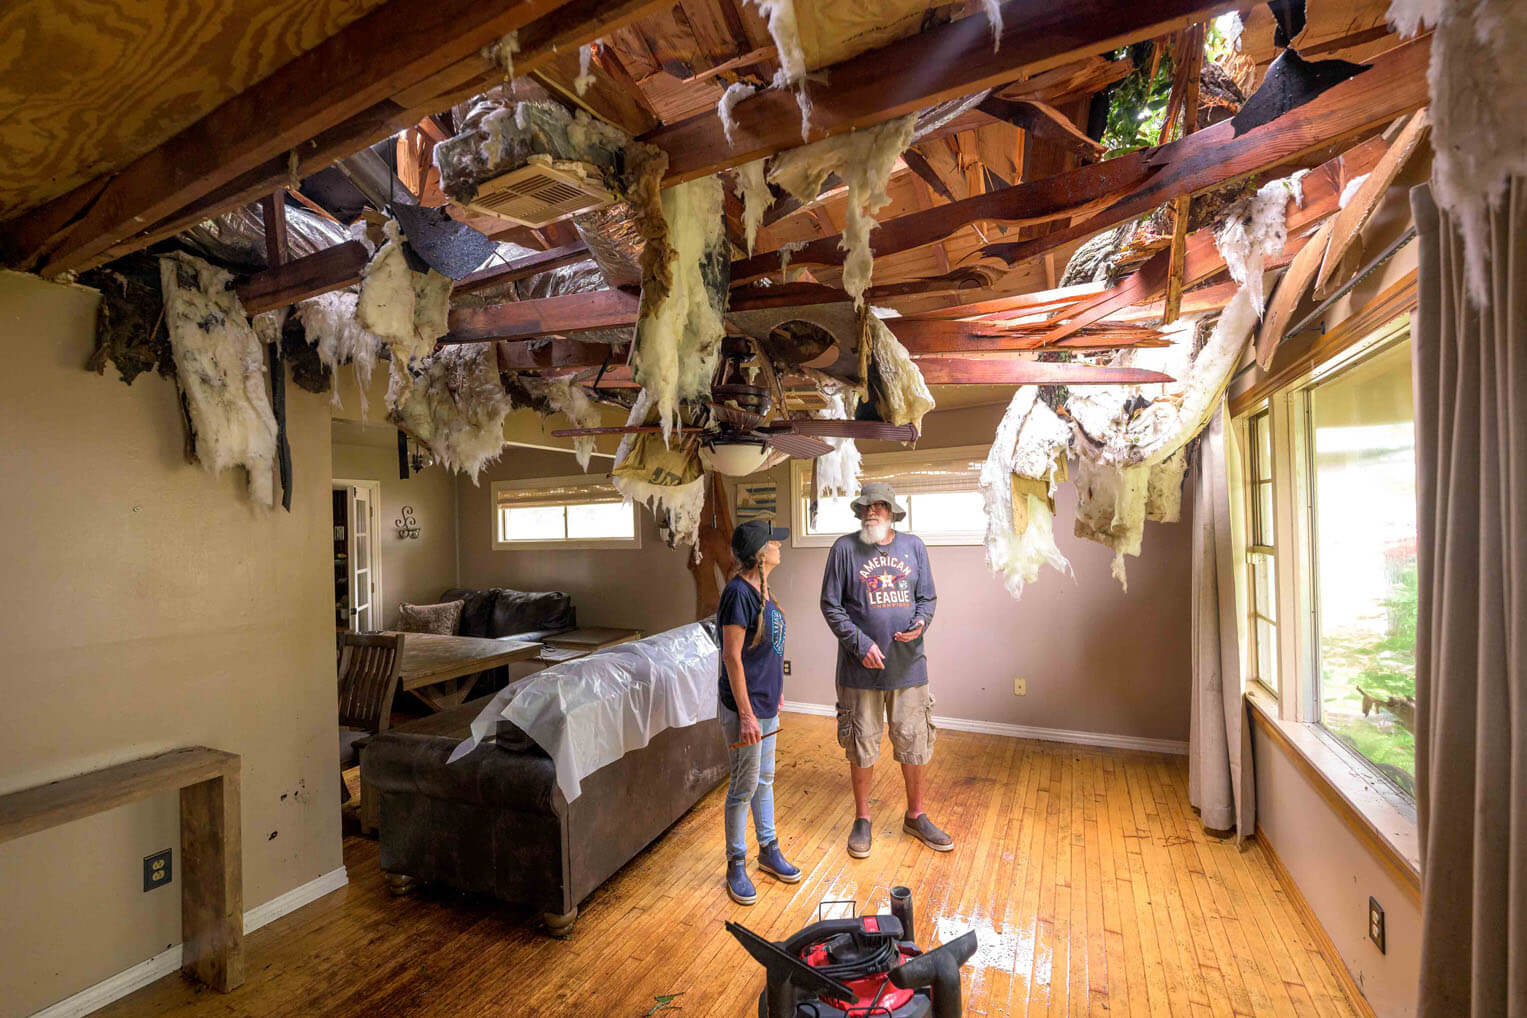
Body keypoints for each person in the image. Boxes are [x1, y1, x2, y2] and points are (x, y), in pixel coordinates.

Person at [820, 481, 952, 858]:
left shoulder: (914, 547)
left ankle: (916, 815)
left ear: (893, 511)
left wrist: (921, 623)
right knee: (862, 744)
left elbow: (927, 598)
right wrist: (860, 644)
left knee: (914, 741)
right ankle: (862, 818)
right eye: (866, 506)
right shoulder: (844, 550)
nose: (872, 512)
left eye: (879, 506)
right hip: (859, 671)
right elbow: (831, 605)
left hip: (909, 667)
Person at [717, 518, 801, 904]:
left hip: (767, 704)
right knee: (743, 786)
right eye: (774, 542)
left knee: (763, 781)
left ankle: (768, 849)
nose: (779, 547)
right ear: (759, 553)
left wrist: (775, 694)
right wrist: (748, 715)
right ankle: (737, 863)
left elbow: (765, 652)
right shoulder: (737, 594)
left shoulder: (761, 587)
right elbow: (732, 658)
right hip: (746, 711)